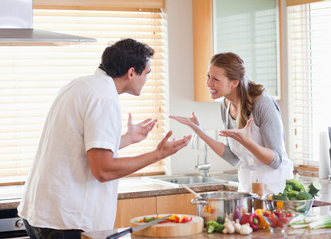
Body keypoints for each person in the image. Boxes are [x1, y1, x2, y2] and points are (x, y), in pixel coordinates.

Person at [18, 38, 191, 238]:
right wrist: (158, 154)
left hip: (43, 214)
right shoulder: (104, 98)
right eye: (146, 74)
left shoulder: (80, 86)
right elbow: (103, 170)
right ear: (132, 72)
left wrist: (127, 138)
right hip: (67, 221)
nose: (146, 80)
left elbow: (79, 146)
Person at [170, 52, 293, 195]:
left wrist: (249, 143)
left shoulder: (262, 104)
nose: (209, 83)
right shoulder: (226, 105)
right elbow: (234, 158)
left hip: (274, 189)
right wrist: (199, 132)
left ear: (234, 82)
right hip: (247, 187)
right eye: (208, 76)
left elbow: (276, 160)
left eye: (216, 79)